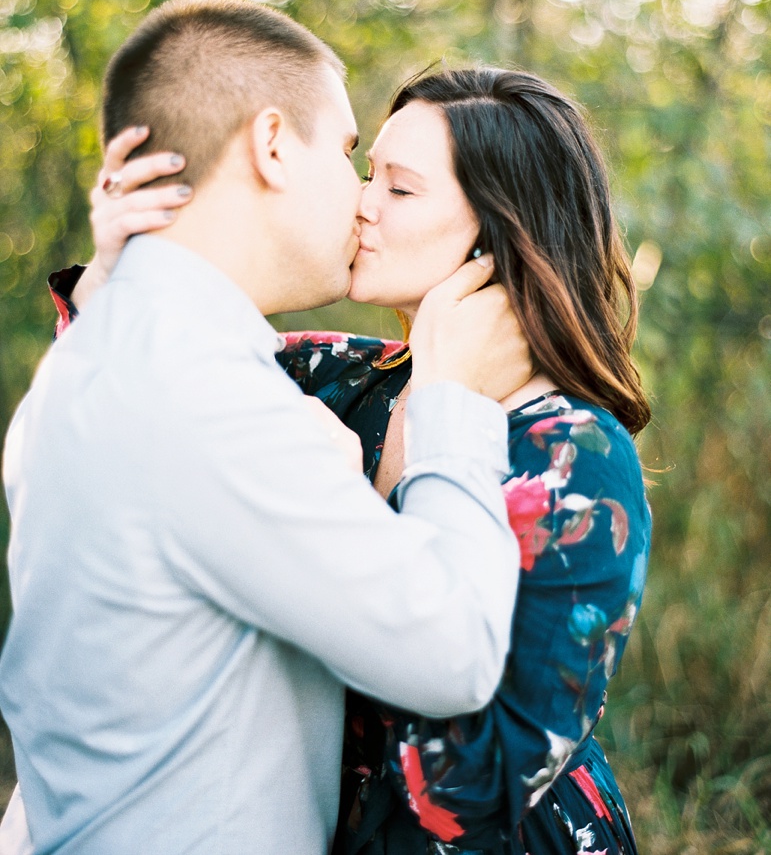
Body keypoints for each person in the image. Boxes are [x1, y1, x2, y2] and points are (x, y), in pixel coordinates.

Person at [44, 65, 652, 854]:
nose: (360, 203)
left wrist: (373, 488)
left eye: (397, 189)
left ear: (497, 233)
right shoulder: (336, 376)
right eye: (367, 174)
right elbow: (117, 388)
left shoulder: (574, 458)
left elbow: (470, 790)